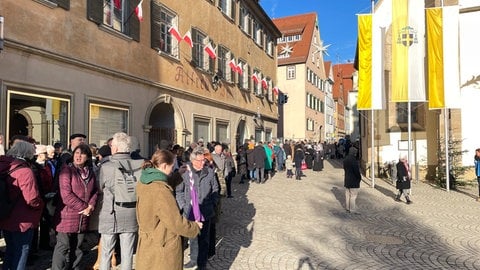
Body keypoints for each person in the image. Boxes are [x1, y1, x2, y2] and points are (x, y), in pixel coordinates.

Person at [136, 149, 202, 270]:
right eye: (172, 167)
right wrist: (195, 227)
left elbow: (162, 185)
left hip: (148, 242)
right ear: (164, 165)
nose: (172, 170)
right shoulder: (161, 191)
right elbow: (176, 222)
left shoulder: (145, 181)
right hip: (163, 245)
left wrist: (178, 175)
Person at [97, 132, 144, 270]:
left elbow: (100, 187)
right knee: (127, 252)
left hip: (110, 211)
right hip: (131, 210)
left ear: (116, 148)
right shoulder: (139, 165)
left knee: (106, 252)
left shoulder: (106, 166)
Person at [51, 144, 98, 270]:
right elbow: (66, 195)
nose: (78, 156)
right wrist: (84, 207)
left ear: (87, 157)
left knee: (78, 247)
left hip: (83, 217)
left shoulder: (90, 173)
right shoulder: (67, 170)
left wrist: (91, 206)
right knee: (63, 246)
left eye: (82, 154)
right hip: (67, 215)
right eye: (76, 153)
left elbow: (95, 191)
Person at [0, 141, 44, 270]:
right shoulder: (25, 171)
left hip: (4, 215)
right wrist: (41, 205)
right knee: (21, 251)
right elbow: (32, 199)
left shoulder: (3, 165)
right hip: (23, 218)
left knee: (10, 250)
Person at [176, 147, 219, 270]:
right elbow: (179, 191)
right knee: (192, 238)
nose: (203, 163)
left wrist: (213, 202)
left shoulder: (209, 172)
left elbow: (215, 189)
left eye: (204, 160)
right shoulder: (185, 172)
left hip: (206, 211)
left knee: (204, 240)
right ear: (193, 160)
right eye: (200, 161)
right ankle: (193, 259)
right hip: (190, 211)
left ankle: (202, 264)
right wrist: (184, 206)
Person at [343, 147, 361, 213]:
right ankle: (352, 209)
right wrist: (359, 178)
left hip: (347, 178)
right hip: (353, 180)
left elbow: (345, 168)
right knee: (353, 195)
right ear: (354, 153)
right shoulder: (353, 160)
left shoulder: (346, 159)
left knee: (347, 195)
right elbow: (356, 171)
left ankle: (348, 207)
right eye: (355, 152)